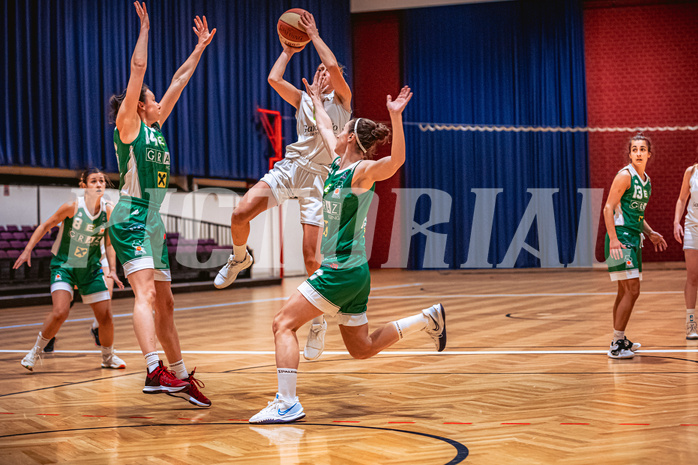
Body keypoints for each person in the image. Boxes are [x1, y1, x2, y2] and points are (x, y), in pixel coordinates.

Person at [249, 78, 445, 424]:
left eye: (343, 132)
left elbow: (395, 161)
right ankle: (426, 319)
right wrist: (314, 101)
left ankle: (286, 402)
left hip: (339, 271)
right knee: (362, 348)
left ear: (351, 137)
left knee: (282, 324)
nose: (335, 133)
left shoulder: (360, 172)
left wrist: (395, 117)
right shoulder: (337, 165)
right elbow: (325, 125)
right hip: (355, 273)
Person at [214, 11, 352, 362]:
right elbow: (274, 77)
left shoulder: (343, 104)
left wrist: (315, 36)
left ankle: (318, 322)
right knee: (240, 212)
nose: (323, 73)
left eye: (327, 72)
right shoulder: (303, 99)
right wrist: (290, 49)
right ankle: (240, 257)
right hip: (291, 169)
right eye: (318, 70)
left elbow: (334, 65)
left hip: (319, 180)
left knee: (310, 259)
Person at [107, 1, 214, 407]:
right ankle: (154, 370)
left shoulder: (155, 126)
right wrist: (146, 29)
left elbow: (179, 80)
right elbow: (138, 71)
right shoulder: (130, 126)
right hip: (131, 216)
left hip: (153, 222)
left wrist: (200, 48)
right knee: (146, 296)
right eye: (149, 98)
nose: (155, 100)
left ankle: (181, 377)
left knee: (166, 303)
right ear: (139, 105)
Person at [15, 168, 127, 371]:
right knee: (60, 312)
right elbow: (45, 225)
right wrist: (27, 250)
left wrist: (112, 269)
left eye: (102, 181)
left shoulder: (108, 210)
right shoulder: (72, 207)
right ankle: (34, 353)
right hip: (64, 266)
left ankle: (108, 357)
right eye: (94, 181)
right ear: (83, 185)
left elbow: (109, 243)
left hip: (91, 269)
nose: (99, 184)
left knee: (106, 316)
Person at [603, 132, 667, 359]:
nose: (638, 153)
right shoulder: (625, 176)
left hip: (634, 237)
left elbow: (636, 214)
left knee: (624, 291)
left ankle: (619, 339)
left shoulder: (646, 181)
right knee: (633, 290)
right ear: (629, 154)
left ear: (649, 154)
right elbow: (608, 208)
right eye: (634, 149)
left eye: (642, 149)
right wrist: (613, 239)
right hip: (620, 239)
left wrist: (650, 233)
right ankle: (615, 345)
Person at [672, 156, 698, 340]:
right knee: (693, 275)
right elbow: (682, 199)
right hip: (692, 227)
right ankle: (691, 322)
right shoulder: (691, 171)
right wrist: (676, 222)